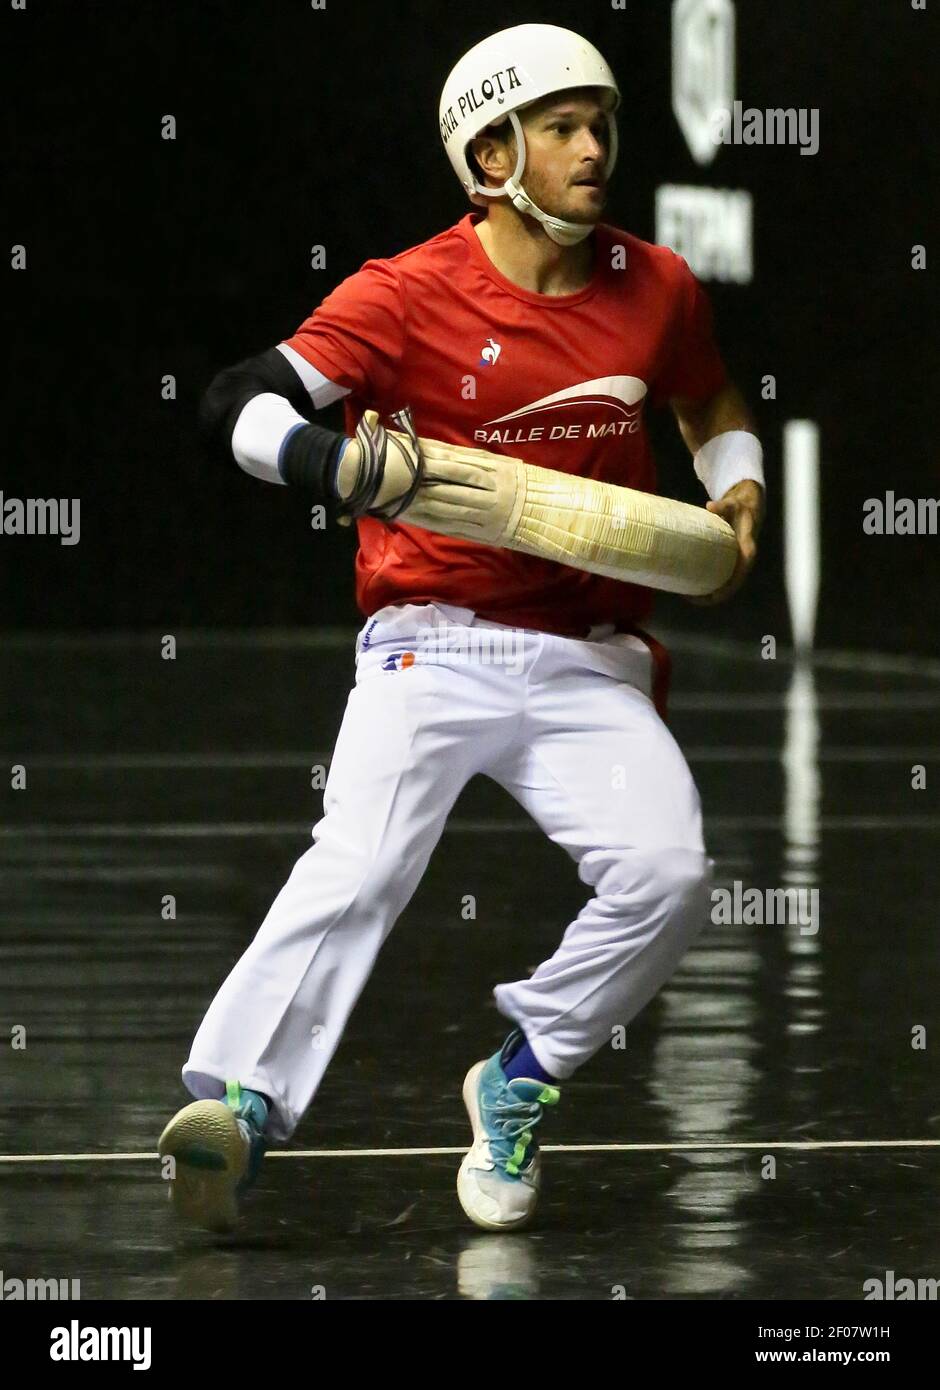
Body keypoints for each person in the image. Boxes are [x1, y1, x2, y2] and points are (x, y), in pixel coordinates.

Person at [158, 23, 765, 1234]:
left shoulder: (657, 285)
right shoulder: (405, 291)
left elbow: (707, 400)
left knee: (669, 872)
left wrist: (736, 490)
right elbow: (239, 402)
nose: (595, 150)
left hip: (588, 653)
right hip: (428, 639)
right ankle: (240, 1101)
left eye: (602, 124)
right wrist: (336, 463)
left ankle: (523, 1070)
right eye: (562, 129)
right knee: (365, 857)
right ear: (490, 152)